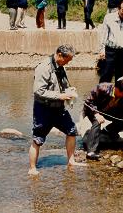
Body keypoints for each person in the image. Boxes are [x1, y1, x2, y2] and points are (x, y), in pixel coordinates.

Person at [28, 44, 85, 175]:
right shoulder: (44, 67)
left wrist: (70, 91)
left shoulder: (60, 67)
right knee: (38, 139)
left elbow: (62, 84)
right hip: (43, 109)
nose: (68, 62)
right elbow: (38, 91)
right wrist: (60, 95)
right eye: (67, 59)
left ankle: (71, 161)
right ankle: (32, 169)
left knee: (71, 131)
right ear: (59, 55)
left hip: (59, 109)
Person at [82, 79, 123, 160]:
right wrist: (96, 114)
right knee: (97, 121)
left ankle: (107, 131)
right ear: (117, 88)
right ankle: (91, 151)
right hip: (93, 110)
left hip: (109, 111)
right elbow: (88, 102)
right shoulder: (101, 88)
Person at [99, 0, 123, 83]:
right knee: (106, 73)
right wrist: (102, 50)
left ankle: (118, 94)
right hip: (110, 50)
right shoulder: (109, 18)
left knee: (120, 76)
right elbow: (104, 34)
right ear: (118, 8)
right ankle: (102, 94)